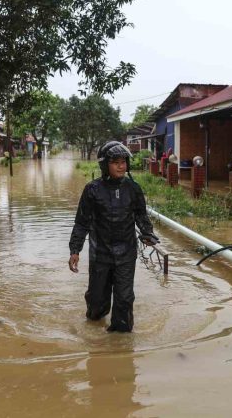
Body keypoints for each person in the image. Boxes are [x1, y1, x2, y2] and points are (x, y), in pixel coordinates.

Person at [68, 141, 159, 332]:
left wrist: (147, 233)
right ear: (104, 165)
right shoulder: (92, 190)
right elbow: (82, 222)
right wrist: (75, 250)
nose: (121, 166)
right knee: (97, 302)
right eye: (116, 162)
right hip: (100, 253)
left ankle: (121, 343)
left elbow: (141, 216)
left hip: (126, 252)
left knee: (124, 299)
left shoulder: (133, 188)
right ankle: (94, 327)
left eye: (124, 162)